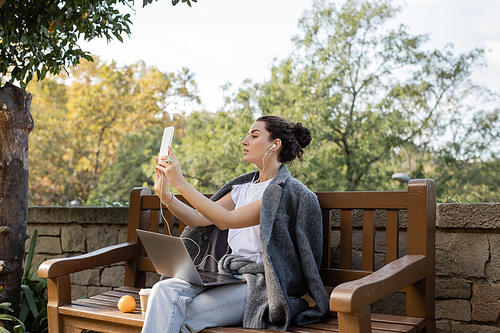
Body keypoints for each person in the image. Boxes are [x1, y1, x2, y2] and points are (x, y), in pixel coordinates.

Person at [142, 115, 329, 333]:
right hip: (227, 276)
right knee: (162, 291)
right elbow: (197, 219)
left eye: (254, 135)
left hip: (260, 285)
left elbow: (225, 220)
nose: (244, 140)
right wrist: (165, 195)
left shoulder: (283, 193)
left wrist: (180, 182)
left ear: (275, 144)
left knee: (179, 314)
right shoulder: (242, 189)